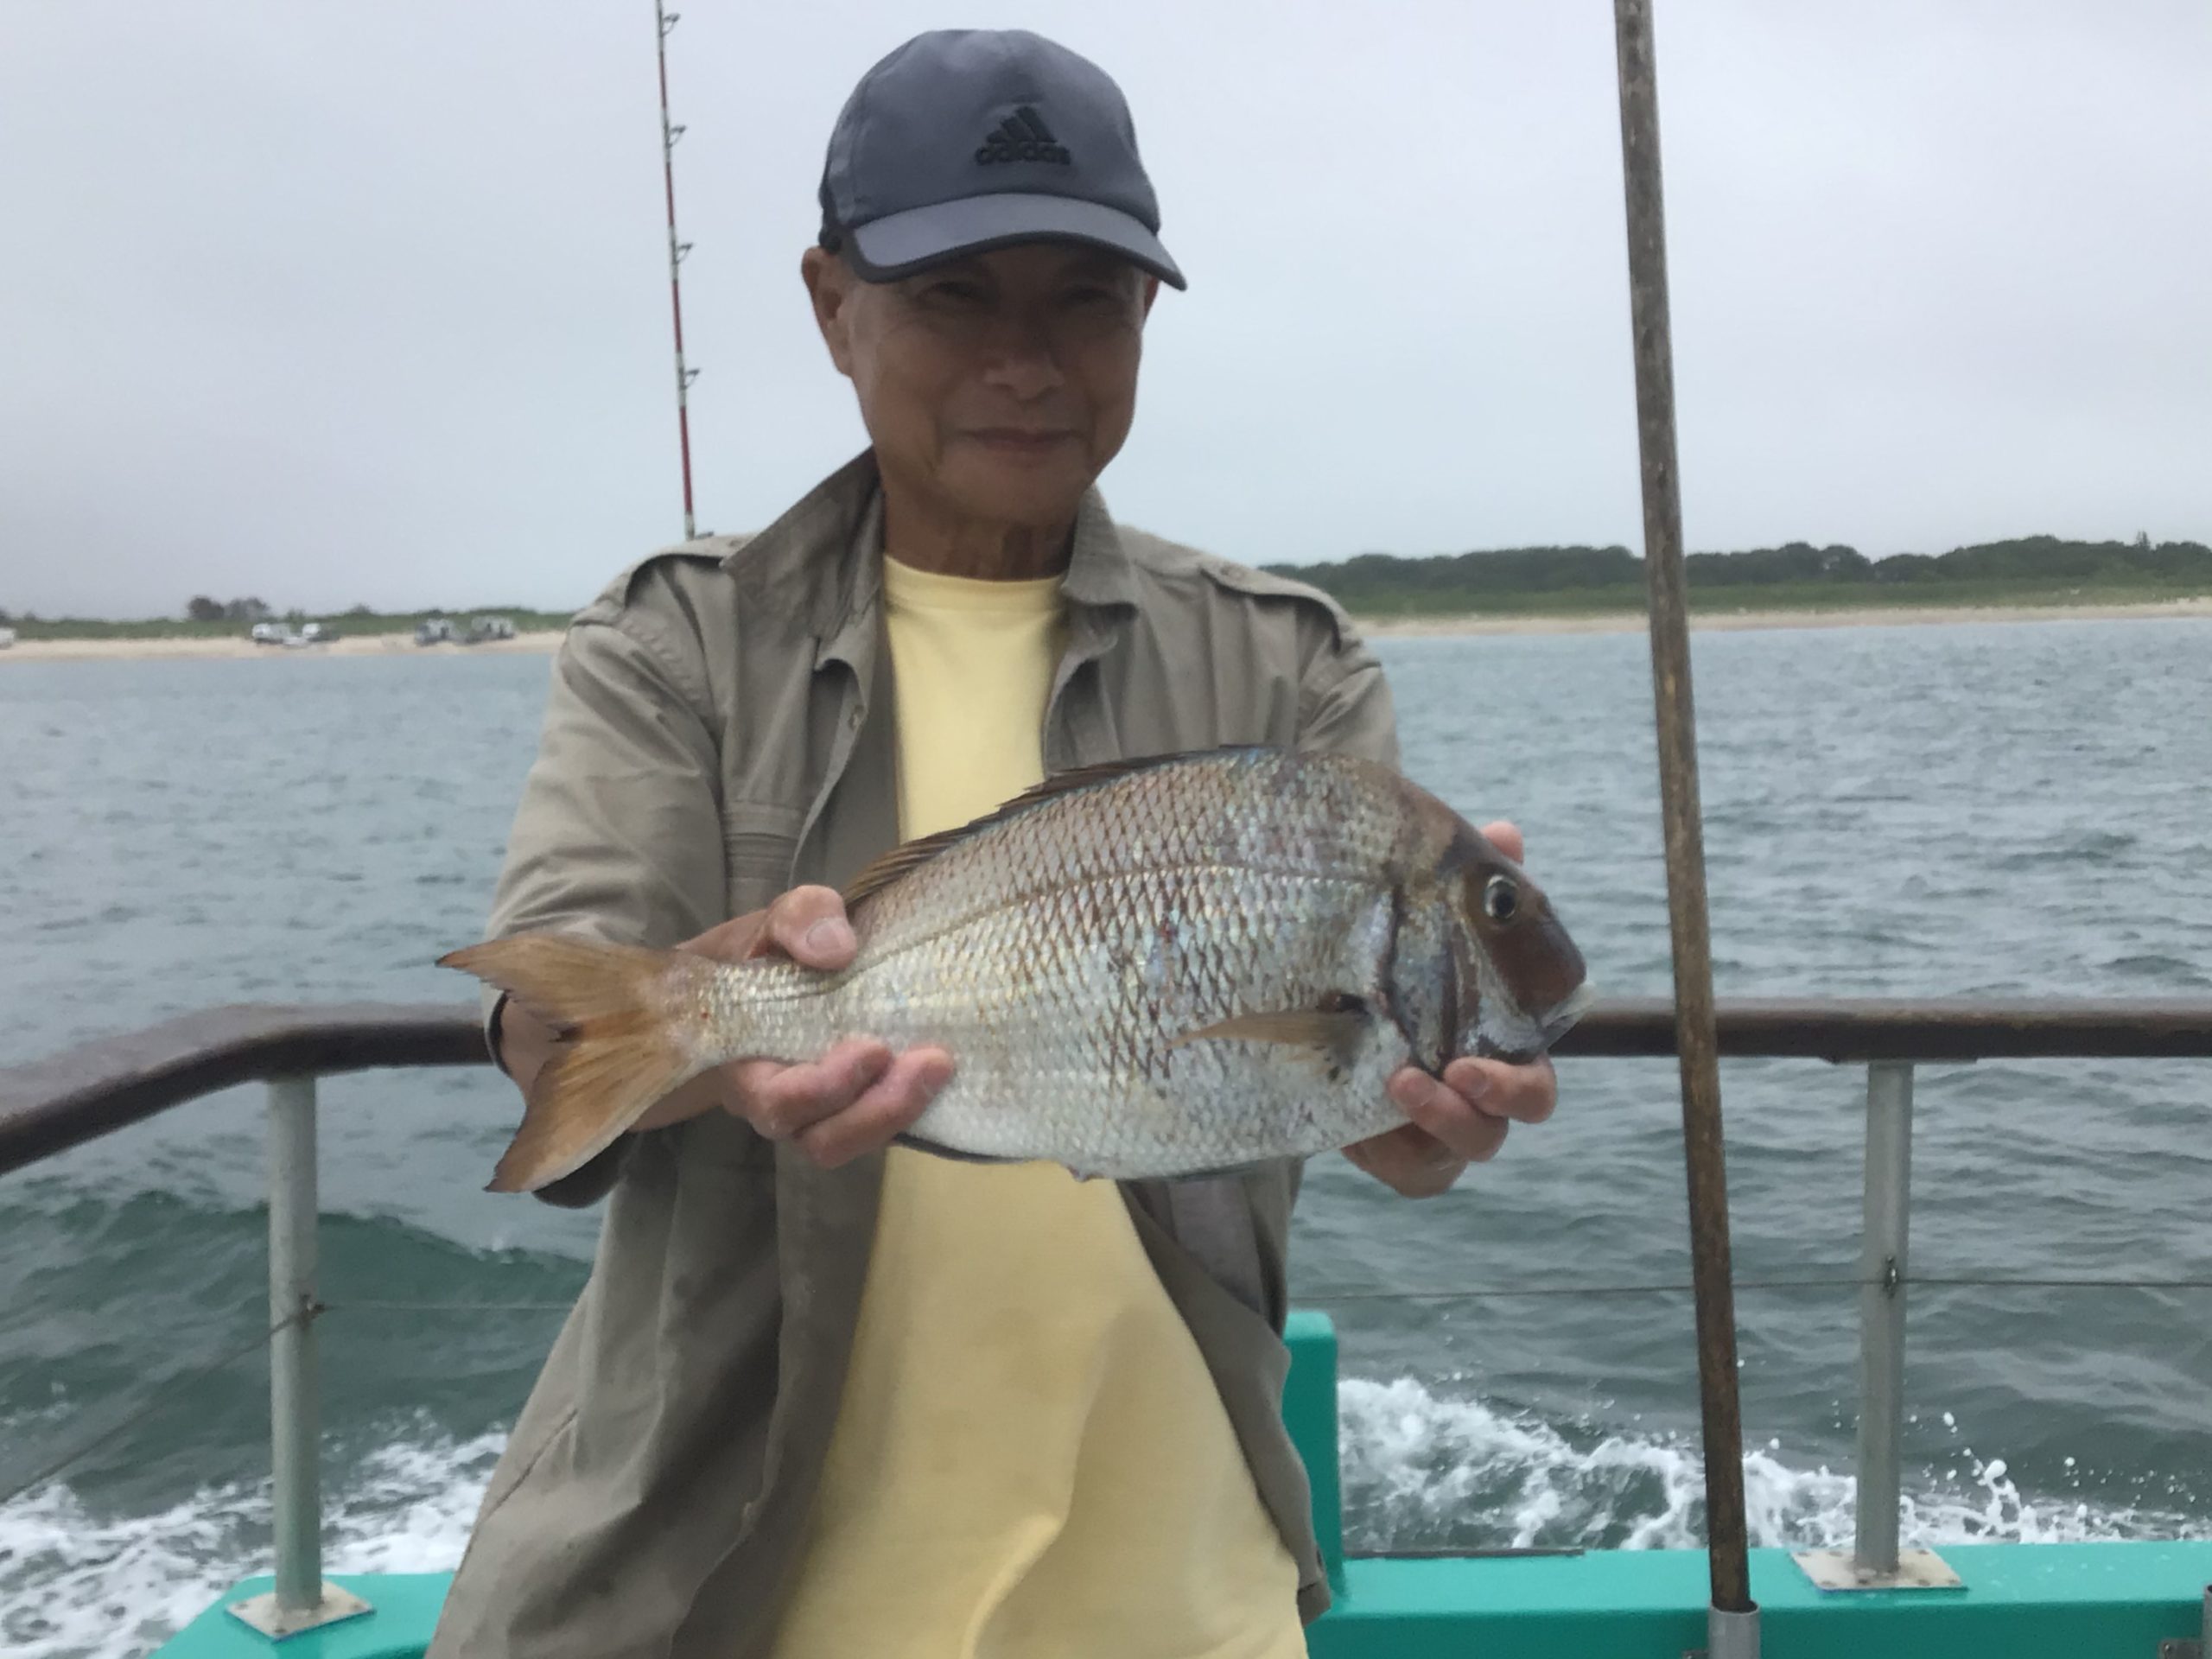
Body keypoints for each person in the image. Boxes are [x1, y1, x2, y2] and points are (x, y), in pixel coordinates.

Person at [428, 28, 1559, 1659]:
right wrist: (713, 1024)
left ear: (1149, 318)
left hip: (1183, 1593)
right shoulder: (679, 641)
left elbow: (1368, 1125)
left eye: (1085, 300)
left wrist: (1436, 1118)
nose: (1027, 361)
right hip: (735, 1591)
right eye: (958, 293)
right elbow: (556, 1002)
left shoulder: (1290, 664)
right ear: (832, 306)